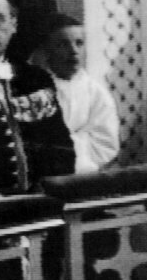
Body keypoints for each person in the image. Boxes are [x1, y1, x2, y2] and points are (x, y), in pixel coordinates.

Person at [0, 0, 74, 196]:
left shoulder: (35, 79)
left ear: (13, 24)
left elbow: (61, 148)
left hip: (40, 210)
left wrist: (44, 196)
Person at [35, 13, 119, 174]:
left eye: (79, 43)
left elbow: (105, 143)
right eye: (63, 45)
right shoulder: (37, 89)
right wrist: (78, 136)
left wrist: (64, 144)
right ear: (47, 50)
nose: (73, 51)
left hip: (86, 174)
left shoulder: (95, 93)